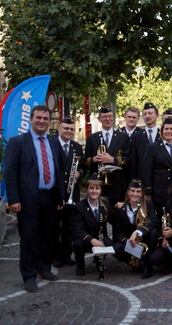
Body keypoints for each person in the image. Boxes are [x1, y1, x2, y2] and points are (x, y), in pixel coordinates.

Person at [5, 105, 66, 292]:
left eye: (45, 118)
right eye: (38, 117)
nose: (42, 121)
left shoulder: (54, 142)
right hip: (28, 198)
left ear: (49, 121)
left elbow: (60, 170)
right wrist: (13, 199)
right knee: (29, 237)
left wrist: (61, 197)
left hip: (50, 196)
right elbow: (10, 172)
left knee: (49, 235)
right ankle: (29, 275)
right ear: (31, 119)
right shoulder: (18, 142)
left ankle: (44, 268)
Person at [84, 105, 131, 207]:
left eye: (109, 116)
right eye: (104, 116)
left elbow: (128, 159)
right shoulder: (92, 138)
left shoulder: (123, 137)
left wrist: (112, 159)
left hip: (117, 186)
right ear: (99, 119)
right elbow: (85, 161)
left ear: (113, 117)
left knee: (118, 219)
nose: (107, 119)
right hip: (98, 186)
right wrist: (93, 159)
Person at [113, 179, 159, 279]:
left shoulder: (148, 205)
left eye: (138, 191)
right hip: (129, 241)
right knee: (117, 248)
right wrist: (128, 242)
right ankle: (132, 261)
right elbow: (117, 231)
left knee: (153, 233)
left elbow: (154, 221)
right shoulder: (121, 209)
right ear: (128, 192)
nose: (135, 194)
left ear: (142, 193)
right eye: (132, 191)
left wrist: (138, 232)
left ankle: (147, 265)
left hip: (144, 240)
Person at [141, 118, 172, 218]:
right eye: (166, 129)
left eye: (171, 129)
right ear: (161, 131)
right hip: (160, 190)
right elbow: (146, 171)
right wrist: (148, 192)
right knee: (161, 218)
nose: (169, 131)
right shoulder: (153, 147)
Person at [54, 118, 85, 268]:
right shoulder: (52, 144)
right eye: (66, 128)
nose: (68, 131)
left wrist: (79, 172)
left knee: (69, 227)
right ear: (59, 128)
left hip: (73, 193)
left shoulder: (77, 146)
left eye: (71, 129)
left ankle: (67, 254)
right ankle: (57, 256)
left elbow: (83, 166)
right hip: (56, 192)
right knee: (54, 227)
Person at [70, 174, 113, 276]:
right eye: (91, 188)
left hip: (100, 236)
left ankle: (98, 260)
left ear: (101, 190)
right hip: (84, 239)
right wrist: (91, 240)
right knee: (77, 244)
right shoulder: (79, 206)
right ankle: (80, 264)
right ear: (87, 189)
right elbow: (77, 229)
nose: (94, 191)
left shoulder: (105, 203)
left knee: (112, 244)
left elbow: (114, 219)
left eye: (97, 188)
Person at [131, 102, 160, 179]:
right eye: (145, 114)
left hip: (161, 179)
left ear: (157, 115)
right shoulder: (136, 136)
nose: (147, 116)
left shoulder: (163, 134)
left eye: (150, 113)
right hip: (142, 178)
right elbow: (134, 161)